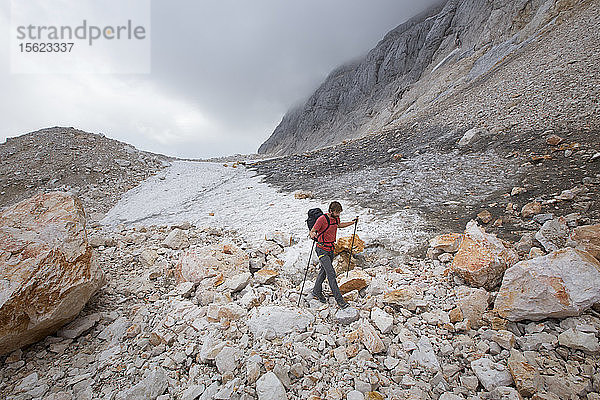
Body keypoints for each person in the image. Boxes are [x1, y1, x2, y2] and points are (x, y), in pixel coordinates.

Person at [309, 201, 358, 308]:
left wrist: (352, 223)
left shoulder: (336, 218)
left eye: (339, 213)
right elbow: (312, 231)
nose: (338, 215)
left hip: (331, 249)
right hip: (321, 250)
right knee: (331, 274)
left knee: (323, 271)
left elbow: (339, 225)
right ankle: (340, 301)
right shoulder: (322, 219)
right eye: (337, 213)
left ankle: (316, 292)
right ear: (331, 211)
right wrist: (313, 235)